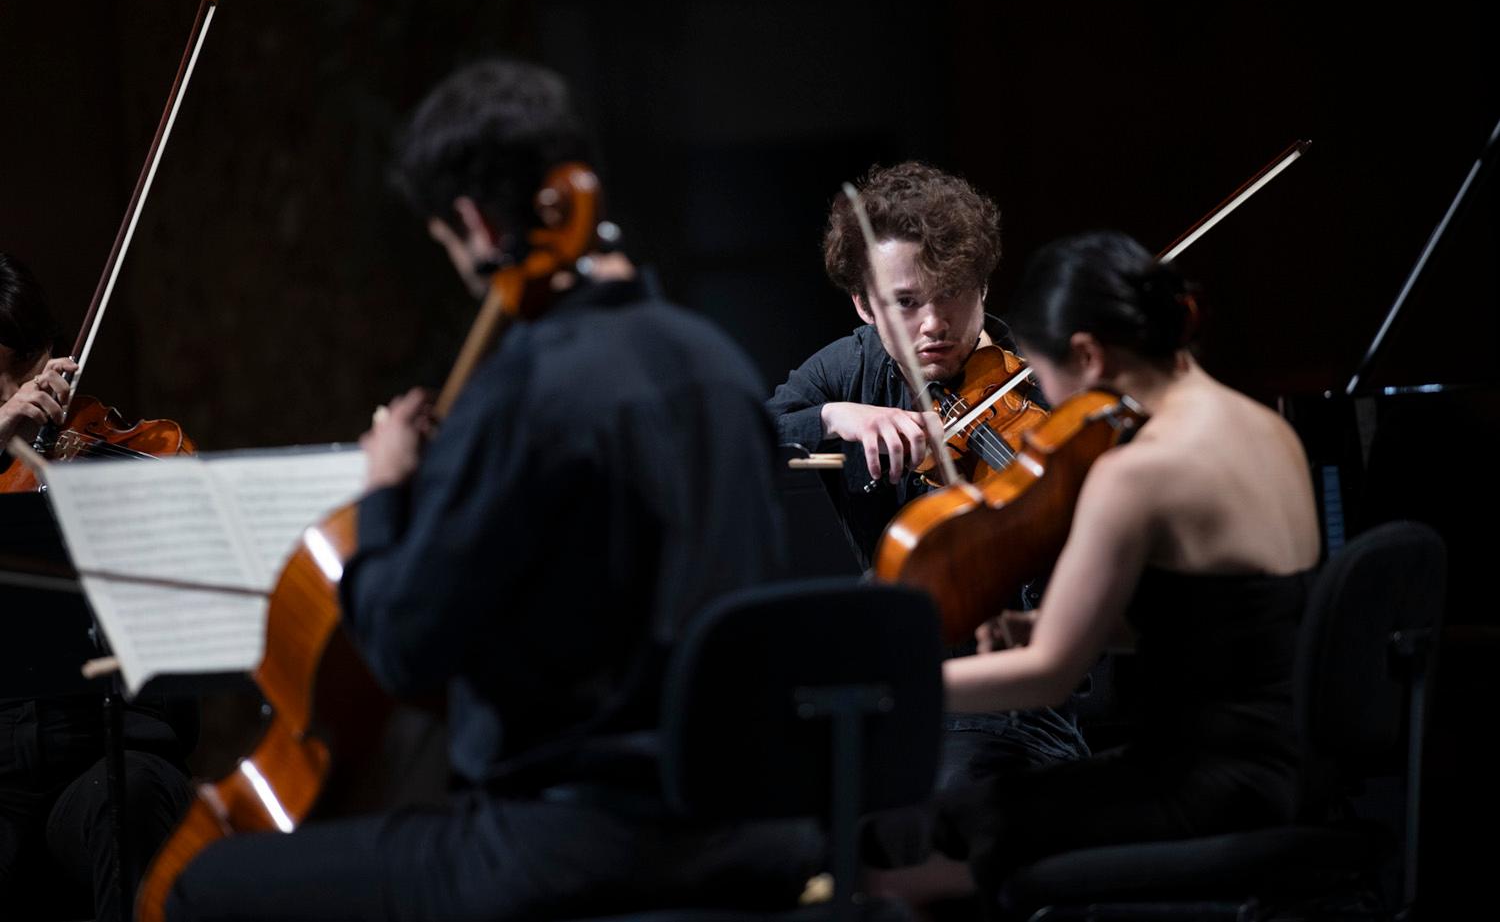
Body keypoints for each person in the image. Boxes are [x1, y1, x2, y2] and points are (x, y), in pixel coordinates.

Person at [165, 57, 815, 922]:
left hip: (572, 840)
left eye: (444, 242)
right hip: (747, 824)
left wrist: (390, 485)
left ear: (471, 221)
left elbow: (404, 648)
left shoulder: (525, 388)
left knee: (201, 887)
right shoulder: (719, 363)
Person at [877, 230, 1320, 903]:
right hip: (1285, 771)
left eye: (1043, 374)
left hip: (1199, 784)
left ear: (1086, 356)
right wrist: (1042, 622)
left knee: (915, 840)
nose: (1047, 398)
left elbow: (1049, 676)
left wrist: (889, 682)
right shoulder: (1270, 428)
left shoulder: (1138, 470)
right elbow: (1222, 622)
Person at [765, 163, 1089, 863]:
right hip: (880, 689)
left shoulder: (1041, 389)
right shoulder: (848, 369)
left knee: (927, 819)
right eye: (906, 302)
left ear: (983, 288)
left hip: (1009, 703)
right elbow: (750, 431)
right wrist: (831, 415)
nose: (934, 324)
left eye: (952, 296)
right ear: (864, 305)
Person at [0, 252, 194, 922]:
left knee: (129, 797)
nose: (24, 402)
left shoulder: (131, 452)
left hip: (105, 749)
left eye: (28, 373)